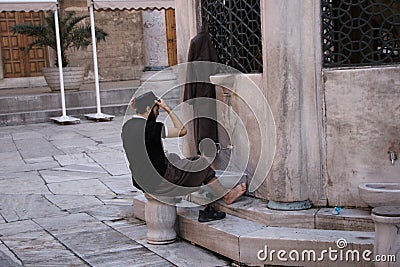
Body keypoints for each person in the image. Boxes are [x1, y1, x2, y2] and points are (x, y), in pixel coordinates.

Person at [121, 91, 246, 222]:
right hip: (159, 182)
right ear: (148, 109)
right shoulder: (152, 128)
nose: (158, 113)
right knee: (202, 164)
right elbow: (182, 130)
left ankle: (199, 188)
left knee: (177, 158)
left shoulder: (127, 126)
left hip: (142, 182)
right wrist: (168, 109)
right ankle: (227, 195)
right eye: (157, 109)